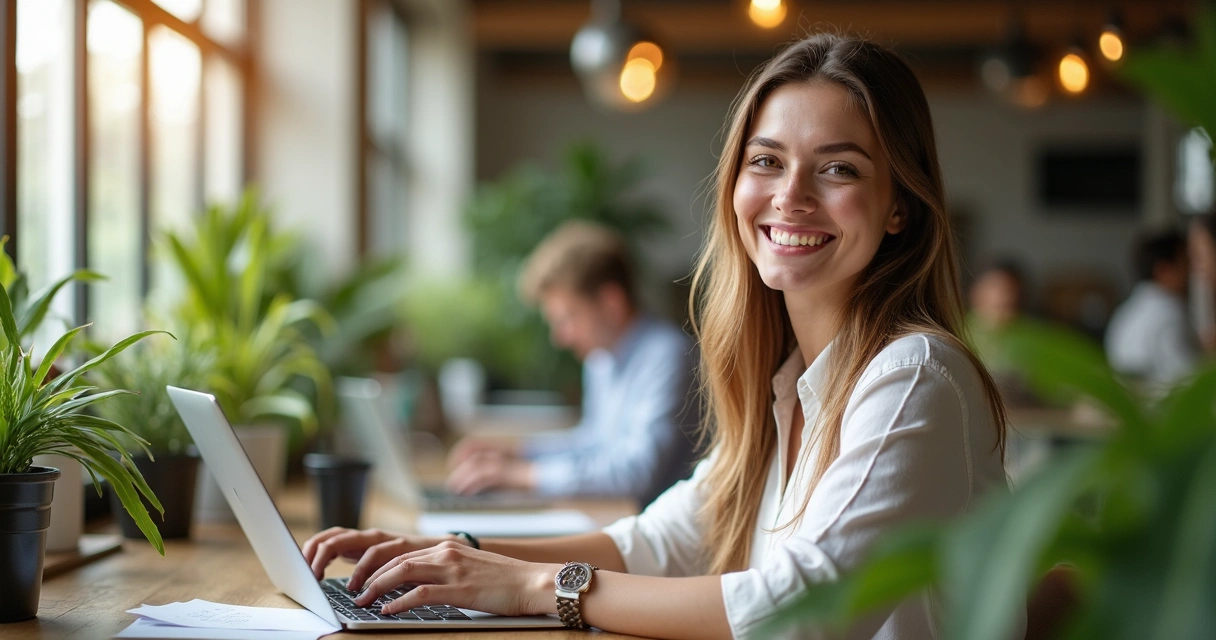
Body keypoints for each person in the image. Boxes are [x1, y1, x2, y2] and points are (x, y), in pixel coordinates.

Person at [303, 33, 1015, 639]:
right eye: (765, 160)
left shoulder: (916, 374)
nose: (789, 194)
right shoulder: (788, 381)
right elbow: (657, 542)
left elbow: (804, 611)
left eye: (838, 168)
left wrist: (533, 585)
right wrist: (451, 553)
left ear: (900, 207)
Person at [444, 221, 700, 508]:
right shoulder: (601, 359)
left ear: (611, 302)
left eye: (568, 318)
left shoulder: (667, 356)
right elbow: (594, 442)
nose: (560, 338)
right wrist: (517, 454)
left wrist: (525, 475)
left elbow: (638, 471)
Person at [1105, 230, 1201, 386]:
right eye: (1186, 263)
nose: (1192, 272)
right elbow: (1189, 380)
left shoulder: (1126, 310)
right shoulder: (1169, 313)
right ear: (1163, 270)